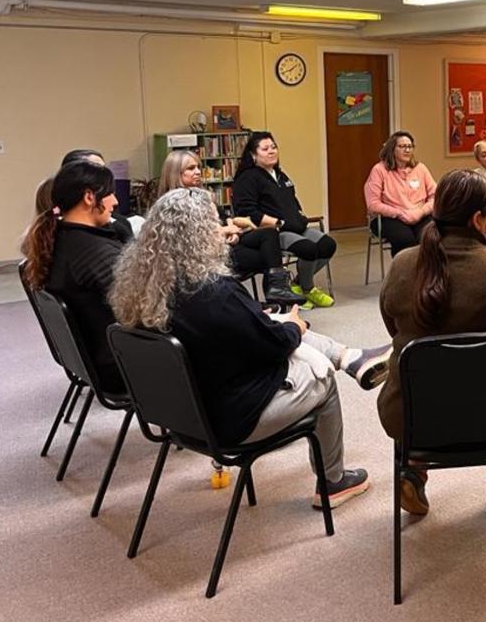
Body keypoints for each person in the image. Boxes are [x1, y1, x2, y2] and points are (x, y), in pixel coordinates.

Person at [109, 187, 393, 508]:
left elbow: (229, 331)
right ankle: (333, 481)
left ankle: (351, 357)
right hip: (231, 419)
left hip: (182, 414)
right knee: (319, 371)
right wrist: (292, 326)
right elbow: (273, 347)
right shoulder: (215, 292)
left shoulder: (145, 289)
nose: (221, 231)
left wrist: (265, 321)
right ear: (199, 235)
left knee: (277, 327)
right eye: (214, 224)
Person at [378, 169, 486, 516]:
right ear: (479, 219)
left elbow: (393, 328)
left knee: (417, 375)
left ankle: (411, 470)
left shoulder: (402, 264)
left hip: (413, 417)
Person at [20, 160, 127, 394]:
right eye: (109, 193)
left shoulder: (58, 239)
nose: (116, 202)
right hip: (118, 366)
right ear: (90, 197)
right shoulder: (95, 252)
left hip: (90, 360)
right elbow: (141, 309)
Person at [158, 150, 305, 306]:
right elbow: (190, 235)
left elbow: (223, 216)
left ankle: (276, 289)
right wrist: (225, 232)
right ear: (175, 173)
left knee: (268, 234)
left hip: (227, 242)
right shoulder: (174, 203)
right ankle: (262, 300)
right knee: (268, 257)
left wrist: (230, 226)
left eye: (198, 167)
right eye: (190, 168)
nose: (197, 172)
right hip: (207, 253)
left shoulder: (202, 195)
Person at [232, 131, 337, 309]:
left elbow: (292, 200)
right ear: (253, 155)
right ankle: (308, 288)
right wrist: (277, 223)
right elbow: (248, 213)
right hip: (275, 231)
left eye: (273, 147)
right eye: (265, 149)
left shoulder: (280, 175)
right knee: (308, 249)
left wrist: (300, 214)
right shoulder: (248, 178)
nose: (272, 151)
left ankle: (298, 284)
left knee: (328, 245)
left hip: (296, 225)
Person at [364, 131, 437, 257]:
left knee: (430, 236)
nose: (407, 150)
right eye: (402, 146)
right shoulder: (379, 170)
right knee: (405, 239)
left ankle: (427, 273)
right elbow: (373, 204)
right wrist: (400, 213)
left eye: (410, 146)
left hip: (419, 214)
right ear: (392, 148)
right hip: (390, 217)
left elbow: (435, 196)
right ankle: (405, 273)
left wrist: (420, 212)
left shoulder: (420, 168)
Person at [60, 149, 137, 241]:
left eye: (104, 170)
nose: (104, 176)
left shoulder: (120, 224)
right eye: (97, 171)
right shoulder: (55, 229)